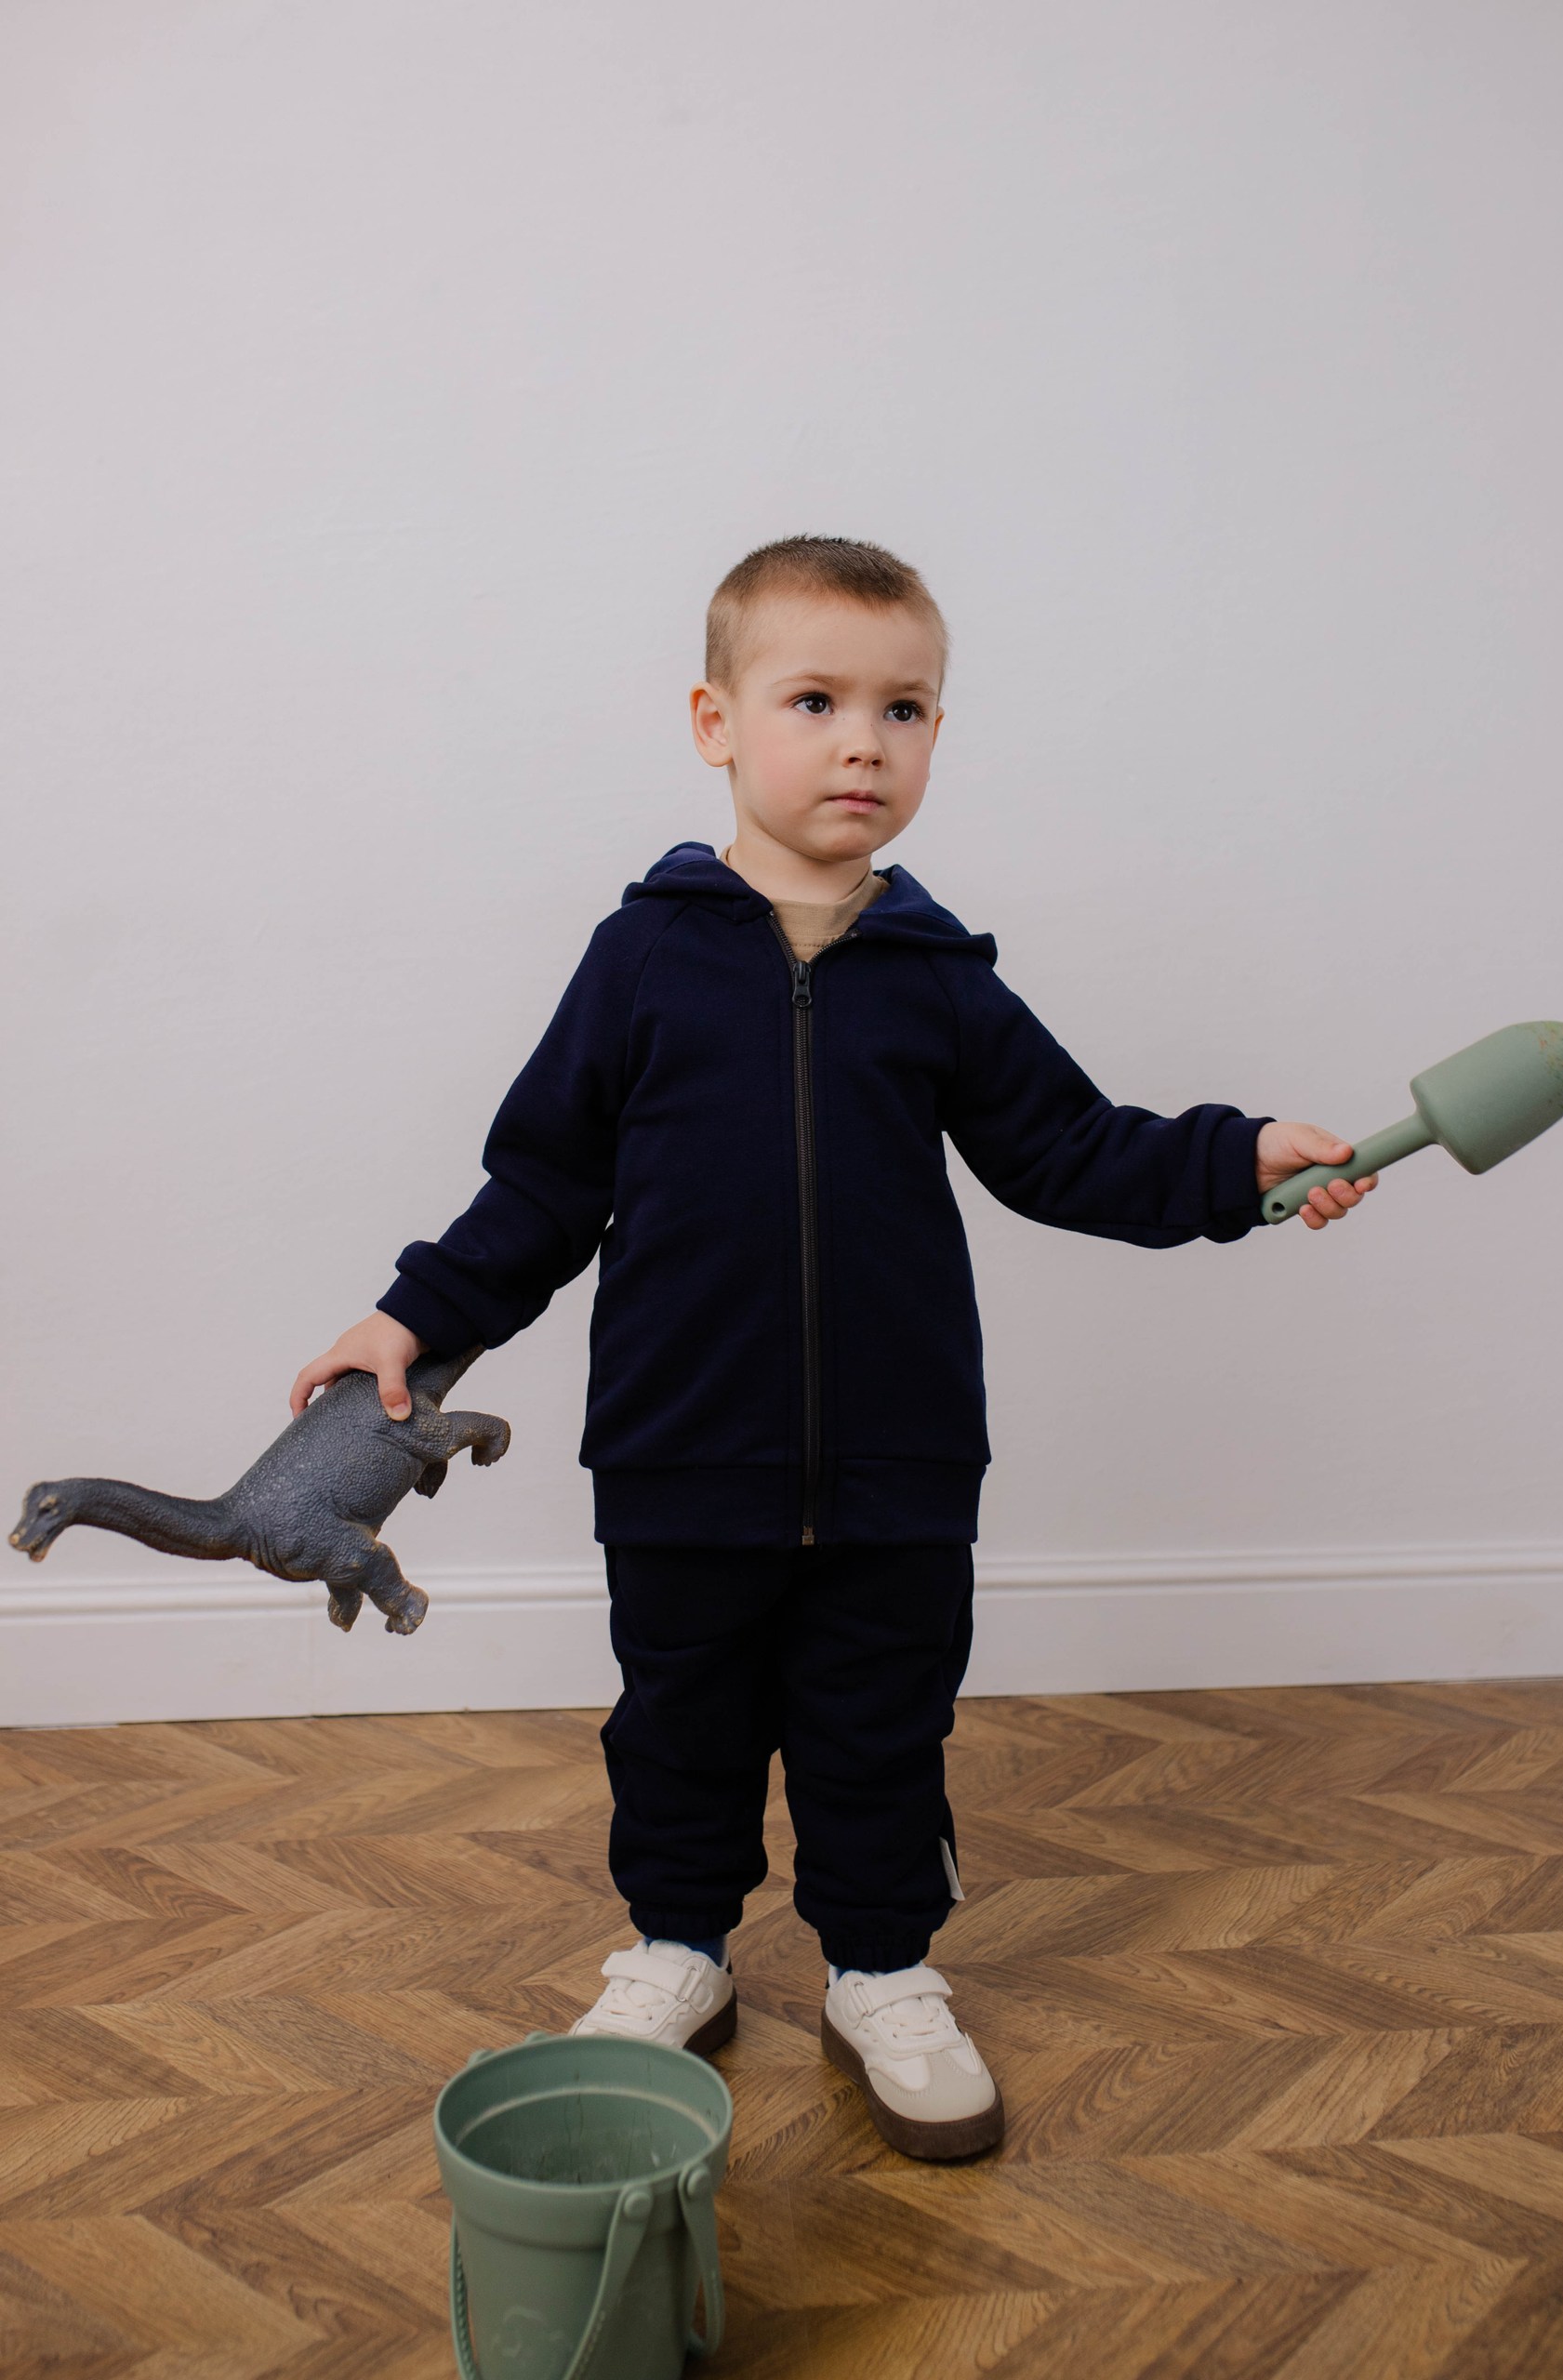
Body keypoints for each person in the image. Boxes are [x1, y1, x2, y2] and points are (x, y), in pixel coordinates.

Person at [290, 536, 1376, 2160]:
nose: (864, 742)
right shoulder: (643, 956)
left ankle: (883, 1968)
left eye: (905, 709)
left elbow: (1072, 1150)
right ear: (716, 724)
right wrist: (416, 1315)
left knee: (884, 1725)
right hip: (679, 1446)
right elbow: (545, 1185)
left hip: (900, 1457)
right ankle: (678, 1949)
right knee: (681, 1722)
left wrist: (1236, 1161)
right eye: (816, 701)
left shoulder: (939, 976)